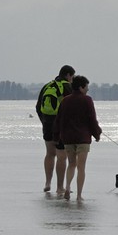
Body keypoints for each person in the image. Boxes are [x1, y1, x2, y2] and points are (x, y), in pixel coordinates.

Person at [51, 75, 101, 202]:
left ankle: (67, 187)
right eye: (87, 86)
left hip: (67, 138)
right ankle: (79, 195)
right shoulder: (87, 100)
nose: (88, 89)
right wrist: (97, 134)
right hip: (82, 138)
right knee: (81, 167)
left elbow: (58, 120)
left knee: (71, 164)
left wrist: (56, 136)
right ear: (81, 87)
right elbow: (92, 120)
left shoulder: (65, 100)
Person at [37, 64, 74, 193]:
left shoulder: (48, 86)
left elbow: (38, 106)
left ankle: (47, 183)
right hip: (61, 126)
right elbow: (72, 109)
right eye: (72, 76)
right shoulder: (68, 87)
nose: (72, 79)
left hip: (47, 124)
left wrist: (44, 121)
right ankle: (59, 187)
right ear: (68, 75)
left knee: (49, 154)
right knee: (61, 156)